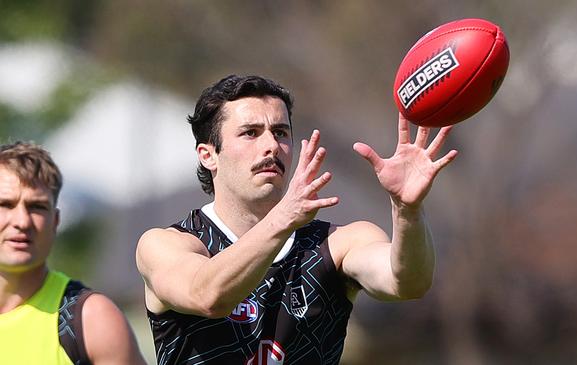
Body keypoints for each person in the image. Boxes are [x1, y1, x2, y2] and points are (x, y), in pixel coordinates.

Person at [136, 74, 457, 364]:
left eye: (280, 132)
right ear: (208, 155)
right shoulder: (165, 245)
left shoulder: (337, 244)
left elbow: (409, 282)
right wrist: (282, 218)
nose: (271, 146)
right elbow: (207, 296)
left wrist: (407, 210)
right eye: (250, 133)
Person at [0, 142, 147, 365]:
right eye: (5, 204)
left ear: (55, 221)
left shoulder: (92, 319)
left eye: (37, 207)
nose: (22, 221)